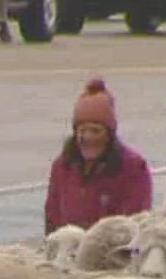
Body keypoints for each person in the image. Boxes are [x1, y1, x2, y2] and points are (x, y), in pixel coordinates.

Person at [43, 77, 154, 234]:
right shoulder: (62, 167)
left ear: (109, 134)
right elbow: (51, 218)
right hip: (67, 251)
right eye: (82, 131)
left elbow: (134, 224)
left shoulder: (133, 168)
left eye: (95, 130)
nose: (88, 137)